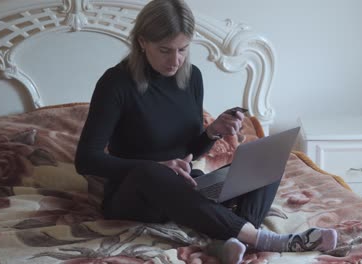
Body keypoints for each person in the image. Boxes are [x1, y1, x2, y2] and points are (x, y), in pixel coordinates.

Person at [75, 0, 337, 263]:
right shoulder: (115, 83)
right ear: (142, 42)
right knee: (151, 171)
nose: (175, 60)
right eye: (165, 50)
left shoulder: (192, 78)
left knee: (266, 160)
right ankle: (265, 239)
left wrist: (212, 132)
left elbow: (188, 151)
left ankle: (227, 240)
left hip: (186, 187)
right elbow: (86, 159)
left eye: (183, 49)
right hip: (135, 195)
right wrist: (158, 165)